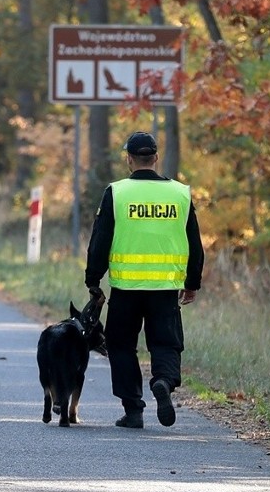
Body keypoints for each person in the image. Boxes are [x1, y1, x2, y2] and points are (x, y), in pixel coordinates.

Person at [85, 131, 205, 429]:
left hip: (125, 289)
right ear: (155, 158)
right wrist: (192, 282)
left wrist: (93, 278)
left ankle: (133, 410)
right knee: (166, 343)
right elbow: (194, 242)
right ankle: (162, 380)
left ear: (129, 159)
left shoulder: (117, 192)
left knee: (122, 345)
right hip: (165, 288)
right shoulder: (179, 193)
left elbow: (101, 239)